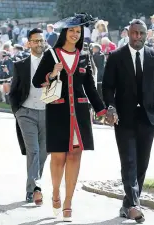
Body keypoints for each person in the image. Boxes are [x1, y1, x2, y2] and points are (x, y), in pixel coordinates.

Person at [32, 13, 106, 222]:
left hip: (80, 115)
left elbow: (90, 87)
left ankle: (68, 203)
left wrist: (101, 111)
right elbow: (38, 81)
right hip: (58, 113)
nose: (75, 34)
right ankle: (55, 192)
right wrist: (52, 74)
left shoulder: (84, 56)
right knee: (58, 157)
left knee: (75, 156)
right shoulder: (51, 55)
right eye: (72, 31)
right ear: (65, 32)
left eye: (78, 32)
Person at [102, 19, 154, 222]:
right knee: (129, 162)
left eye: (141, 33)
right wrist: (111, 107)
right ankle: (133, 205)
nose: (137, 37)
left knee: (142, 164)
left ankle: (127, 203)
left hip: (149, 119)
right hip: (124, 119)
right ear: (128, 33)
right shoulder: (115, 56)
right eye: (134, 33)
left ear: (146, 35)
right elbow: (107, 87)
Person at [9, 28, 48, 204]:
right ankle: (35, 189)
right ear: (29, 43)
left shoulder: (53, 63)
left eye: (42, 40)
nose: (39, 44)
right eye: (36, 41)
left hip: (48, 113)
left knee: (44, 153)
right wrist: (17, 112)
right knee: (33, 151)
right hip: (26, 113)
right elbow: (14, 91)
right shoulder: (20, 65)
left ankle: (32, 187)